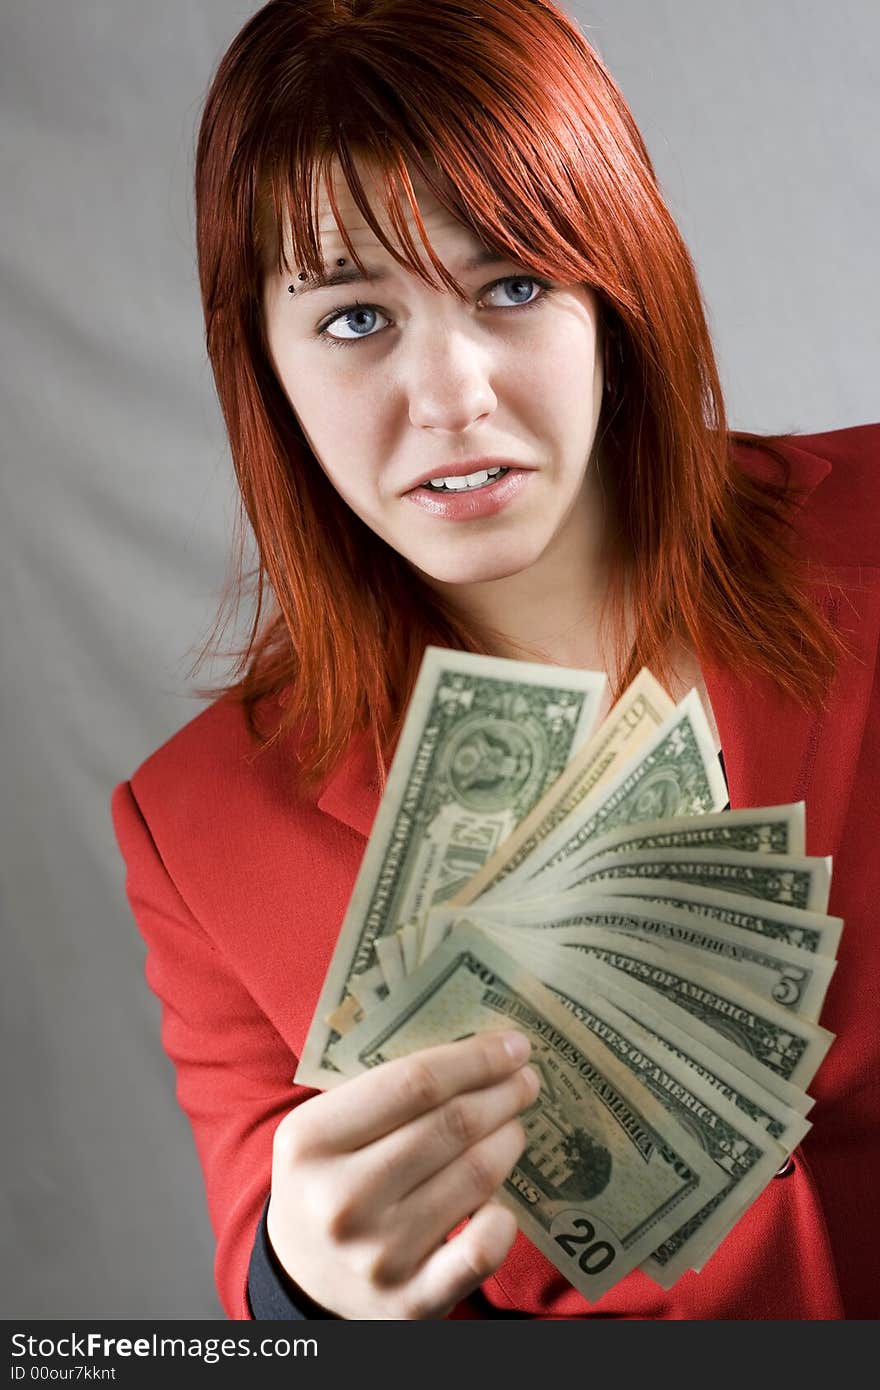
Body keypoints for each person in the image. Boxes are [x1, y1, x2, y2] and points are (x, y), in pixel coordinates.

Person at [110, 0, 880, 1320]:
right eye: (355, 318)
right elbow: (268, 1303)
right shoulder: (200, 831)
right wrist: (304, 1284)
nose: (452, 393)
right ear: (266, 366)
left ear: (616, 294)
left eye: (512, 284)